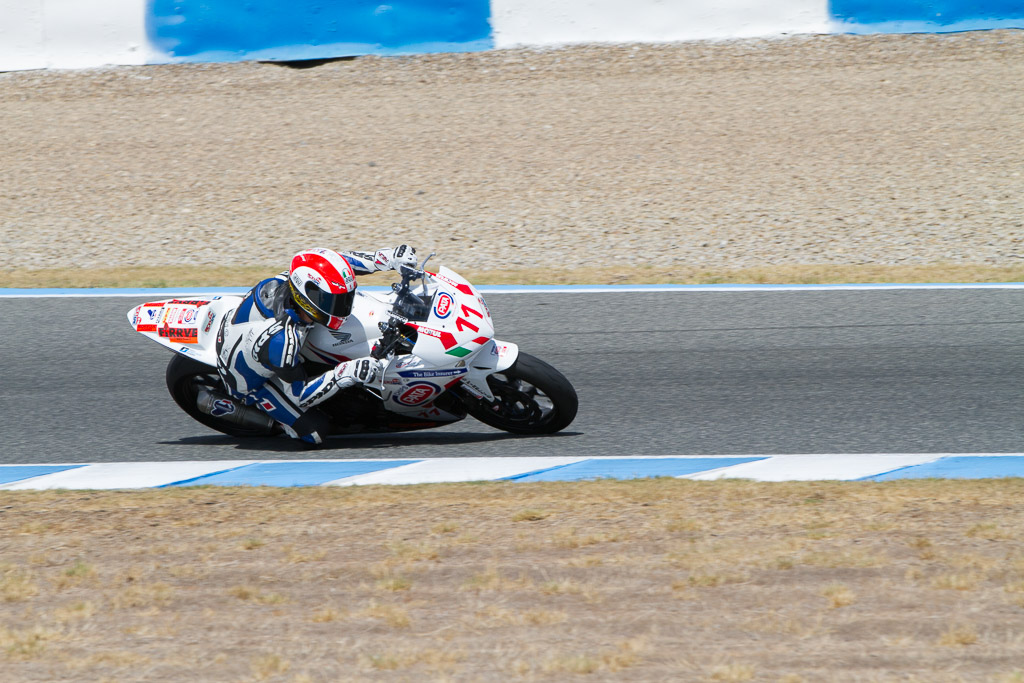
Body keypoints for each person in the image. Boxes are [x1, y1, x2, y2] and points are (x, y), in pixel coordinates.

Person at [214, 245, 418, 444]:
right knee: (316, 432)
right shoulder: (283, 341)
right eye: (334, 302)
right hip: (249, 381)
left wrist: (387, 258)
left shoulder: (295, 280)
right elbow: (300, 396)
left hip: (252, 337)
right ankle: (271, 420)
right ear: (306, 299)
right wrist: (345, 373)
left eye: (346, 299)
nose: (344, 306)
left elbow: (343, 264)